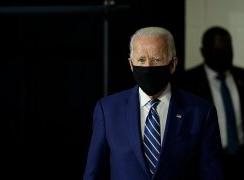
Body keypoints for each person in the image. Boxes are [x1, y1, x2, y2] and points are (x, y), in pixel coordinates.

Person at [83, 26, 224, 180]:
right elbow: (93, 173)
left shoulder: (201, 112)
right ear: (131, 64)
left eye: (157, 60)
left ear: (172, 64)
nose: (148, 67)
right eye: (141, 60)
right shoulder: (108, 110)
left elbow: (212, 174)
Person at [177, 26, 244, 180]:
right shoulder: (187, 83)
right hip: (206, 164)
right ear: (204, 52)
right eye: (218, 50)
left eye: (228, 49)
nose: (224, 54)